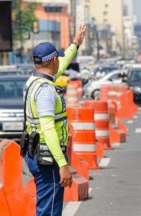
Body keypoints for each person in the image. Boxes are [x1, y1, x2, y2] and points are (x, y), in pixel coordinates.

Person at [24, 24, 86, 216]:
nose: (60, 60)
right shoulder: (46, 91)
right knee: (49, 209)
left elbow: (64, 61)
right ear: (51, 61)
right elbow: (48, 128)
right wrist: (62, 164)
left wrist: (75, 44)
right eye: (56, 58)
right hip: (47, 156)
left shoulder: (34, 80)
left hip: (34, 151)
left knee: (47, 204)